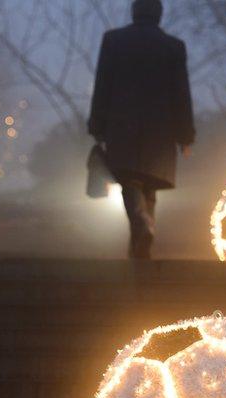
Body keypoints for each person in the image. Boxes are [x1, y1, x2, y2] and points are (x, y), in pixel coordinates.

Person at [88, 0, 195, 259]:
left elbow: (103, 83)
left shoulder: (113, 40)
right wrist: (185, 135)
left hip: (122, 125)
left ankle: (142, 226)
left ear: (134, 12)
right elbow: (181, 93)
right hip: (161, 130)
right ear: (159, 15)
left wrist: (97, 125)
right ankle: (140, 249)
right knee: (149, 185)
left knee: (130, 181)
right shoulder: (173, 46)